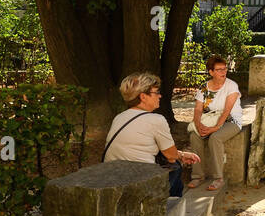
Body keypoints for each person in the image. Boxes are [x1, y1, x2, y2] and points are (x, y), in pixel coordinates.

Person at [103, 72, 200, 197]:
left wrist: (180, 154)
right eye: (156, 92)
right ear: (143, 97)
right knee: (175, 167)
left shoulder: (119, 117)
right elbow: (170, 156)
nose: (160, 96)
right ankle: (172, 211)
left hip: (113, 177)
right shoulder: (156, 120)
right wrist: (179, 156)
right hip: (139, 183)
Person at [187, 55, 245, 191]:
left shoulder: (232, 86)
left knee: (215, 138)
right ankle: (197, 176)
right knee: (195, 136)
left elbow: (227, 111)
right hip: (211, 118)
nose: (223, 72)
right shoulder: (204, 88)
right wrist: (198, 125)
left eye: (224, 69)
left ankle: (218, 178)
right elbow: (197, 109)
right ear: (211, 72)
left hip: (231, 120)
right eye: (219, 70)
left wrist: (215, 128)